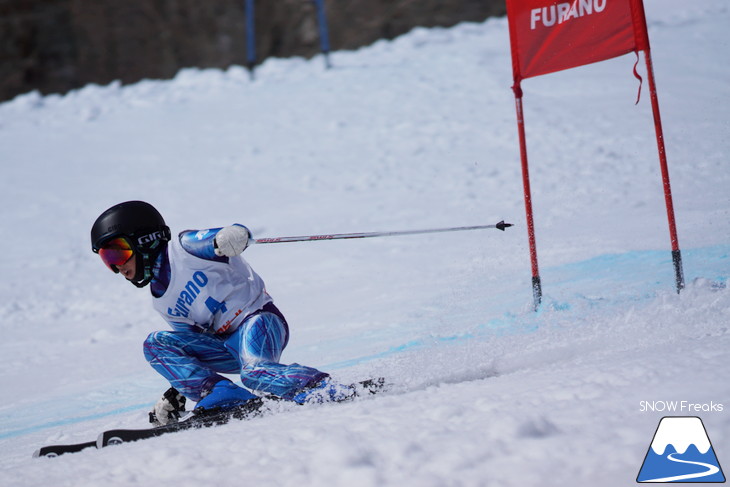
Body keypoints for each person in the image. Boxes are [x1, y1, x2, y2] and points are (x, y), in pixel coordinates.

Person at [90, 200, 355, 425]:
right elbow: (193, 351)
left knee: (254, 373)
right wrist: (179, 390)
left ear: (144, 240)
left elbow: (221, 237)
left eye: (118, 254)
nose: (117, 268)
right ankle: (222, 394)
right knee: (156, 344)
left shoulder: (185, 248)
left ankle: (321, 388)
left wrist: (229, 237)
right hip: (226, 347)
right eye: (107, 260)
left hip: (258, 320)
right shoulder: (161, 300)